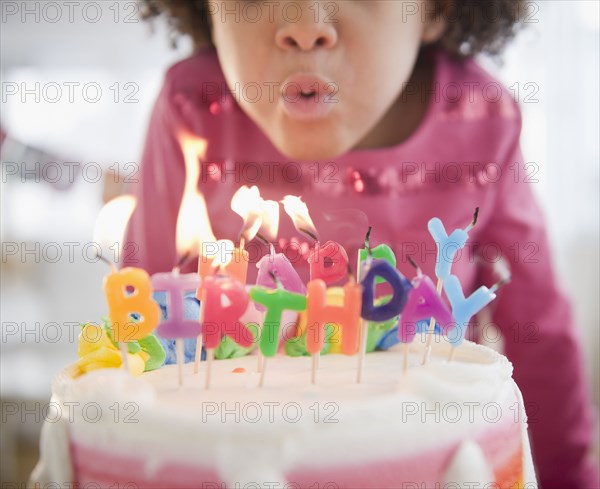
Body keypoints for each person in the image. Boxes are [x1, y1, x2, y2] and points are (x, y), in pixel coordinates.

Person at [125, 1, 599, 487]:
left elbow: (539, 331)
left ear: (438, 10)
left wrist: (570, 476)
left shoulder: (480, 118)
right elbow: (144, 321)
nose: (305, 27)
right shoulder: (193, 108)